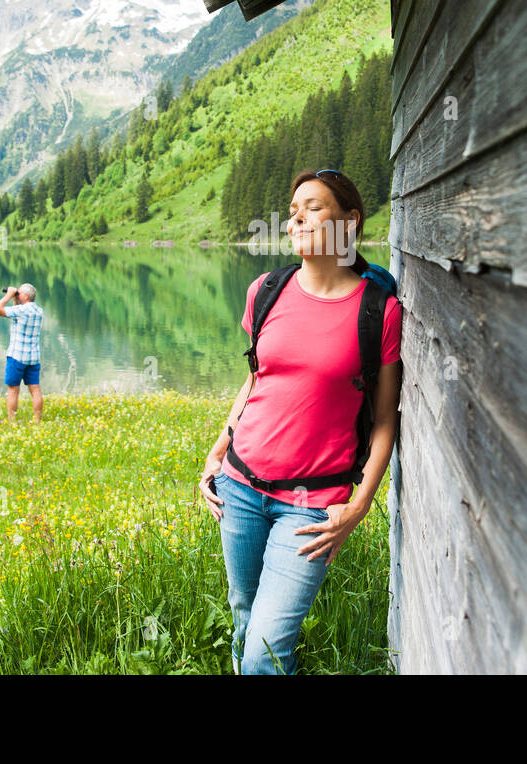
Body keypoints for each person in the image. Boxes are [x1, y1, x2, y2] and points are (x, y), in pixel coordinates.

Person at [199, 169, 404, 674]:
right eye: (293, 212)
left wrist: (357, 509)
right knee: (244, 615)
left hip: (312, 504)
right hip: (240, 486)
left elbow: (384, 421)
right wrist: (218, 450)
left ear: (350, 221)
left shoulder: (380, 310)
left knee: (266, 653)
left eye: (313, 206)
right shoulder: (264, 290)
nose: (297, 217)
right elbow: (256, 379)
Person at [0, 282, 44, 422]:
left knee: (13, 390)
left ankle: (12, 421)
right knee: (35, 389)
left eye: (19, 293)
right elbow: (16, 315)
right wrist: (16, 299)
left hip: (17, 357)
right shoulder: (38, 311)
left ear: (25, 296)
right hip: (33, 358)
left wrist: (8, 296)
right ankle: (37, 421)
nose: (17, 294)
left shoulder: (21, 311)